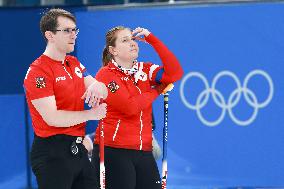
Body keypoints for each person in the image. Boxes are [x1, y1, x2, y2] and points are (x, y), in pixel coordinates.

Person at [23, 8, 107, 189]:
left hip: (78, 149)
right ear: (50, 35)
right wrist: (91, 114)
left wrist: (98, 86)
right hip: (52, 153)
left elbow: (99, 88)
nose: (73, 35)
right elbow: (52, 118)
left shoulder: (74, 63)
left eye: (75, 30)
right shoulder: (38, 71)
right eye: (67, 30)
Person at [91, 26, 183, 189]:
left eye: (133, 39)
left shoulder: (145, 69)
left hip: (143, 151)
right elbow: (130, 106)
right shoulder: (105, 75)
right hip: (113, 151)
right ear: (113, 50)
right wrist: (157, 90)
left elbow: (175, 73)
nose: (132, 43)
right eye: (125, 40)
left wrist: (152, 39)